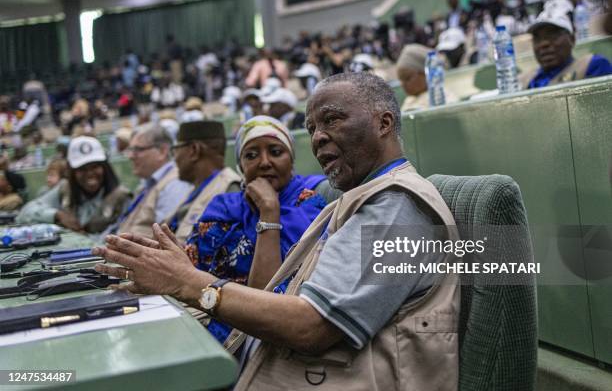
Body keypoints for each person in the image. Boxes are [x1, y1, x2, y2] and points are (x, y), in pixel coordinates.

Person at [94, 73, 459, 390]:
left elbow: (310, 328)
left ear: (383, 123)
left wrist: (189, 284)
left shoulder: (395, 206)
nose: (318, 138)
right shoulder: (355, 200)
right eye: (313, 128)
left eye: (332, 120)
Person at [182, 116, 329, 343]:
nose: (264, 162)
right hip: (201, 313)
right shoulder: (223, 206)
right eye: (251, 155)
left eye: (275, 152)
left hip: (255, 335)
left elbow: (266, 299)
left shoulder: (309, 205)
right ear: (241, 166)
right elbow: (189, 271)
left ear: (291, 160)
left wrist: (269, 211)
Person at [17, 137, 130, 233]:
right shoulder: (65, 189)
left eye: (95, 166)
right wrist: (57, 215)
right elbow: (24, 214)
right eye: (82, 169)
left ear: (105, 168)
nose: (90, 174)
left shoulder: (121, 196)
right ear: (72, 172)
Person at [165, 121, 241, 243]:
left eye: (176, 150)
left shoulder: (230, 191)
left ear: (194, 150)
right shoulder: (198, 188)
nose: (175, 158)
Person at [112, 124, 192, 238]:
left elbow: (165, 238)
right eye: (130, 149)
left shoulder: (175, 184)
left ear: (162, 151)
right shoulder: (149, 183)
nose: (130, 156)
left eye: (137, 150)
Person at [522, 9, 612, 89]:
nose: (543, 44)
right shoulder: (526, 78)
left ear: (572, 39)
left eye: (552, 35)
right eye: (537, 38)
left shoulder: (592, 66)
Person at [396, 44, 458, 111]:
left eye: (407, 78)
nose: (402, 84)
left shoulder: (444, 100)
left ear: (425, 74)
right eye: (400, 80)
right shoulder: (410, 100)